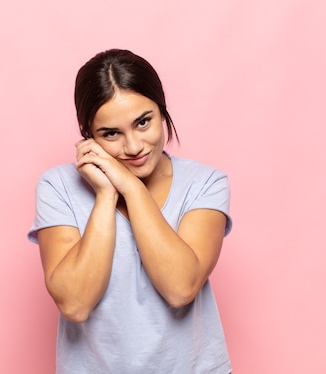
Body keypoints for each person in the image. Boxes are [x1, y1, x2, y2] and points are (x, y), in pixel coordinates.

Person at [28, 49, 233, 373]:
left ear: (161, 111)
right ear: (88, 134)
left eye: (143, 122)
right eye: (111, 133)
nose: (134, 146)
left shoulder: (205, 183)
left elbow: (180, 288)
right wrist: (106, 194)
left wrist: (131, 186)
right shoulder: (58, 187)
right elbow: (75, 304)